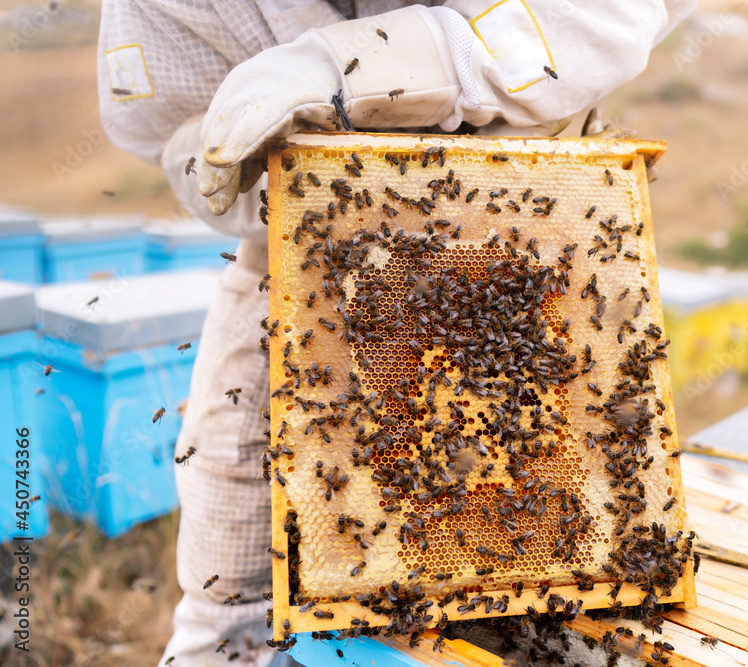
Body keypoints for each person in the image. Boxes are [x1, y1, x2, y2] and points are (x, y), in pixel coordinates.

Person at [97, 1, 696, 664]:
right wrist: (253, 153)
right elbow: (175, 133)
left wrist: (373, 62)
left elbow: (601, 16)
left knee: (576, 597)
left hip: (544, 257)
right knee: (231, 615)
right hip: (314, 268)